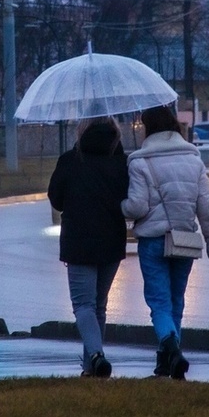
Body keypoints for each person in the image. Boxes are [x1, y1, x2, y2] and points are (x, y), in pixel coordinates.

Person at [122, 106, 209, 380]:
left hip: (153, 242)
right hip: (184, 241)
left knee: (159, 303)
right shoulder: (194, 160)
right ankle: (167, 360)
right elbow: (208, 210)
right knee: (176, 301)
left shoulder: (139, 162)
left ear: (148, 129)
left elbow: (136, 206)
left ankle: (171, 351)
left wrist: (119, 206)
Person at [48, 116, 129, 378]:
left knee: (83, 306)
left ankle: (95, 355)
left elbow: (56, 199)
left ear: (81, 131)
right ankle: (90, 368)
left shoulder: (71, 161)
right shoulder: (121, 163)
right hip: (112, 241)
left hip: (78, 242)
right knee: (99, 306)